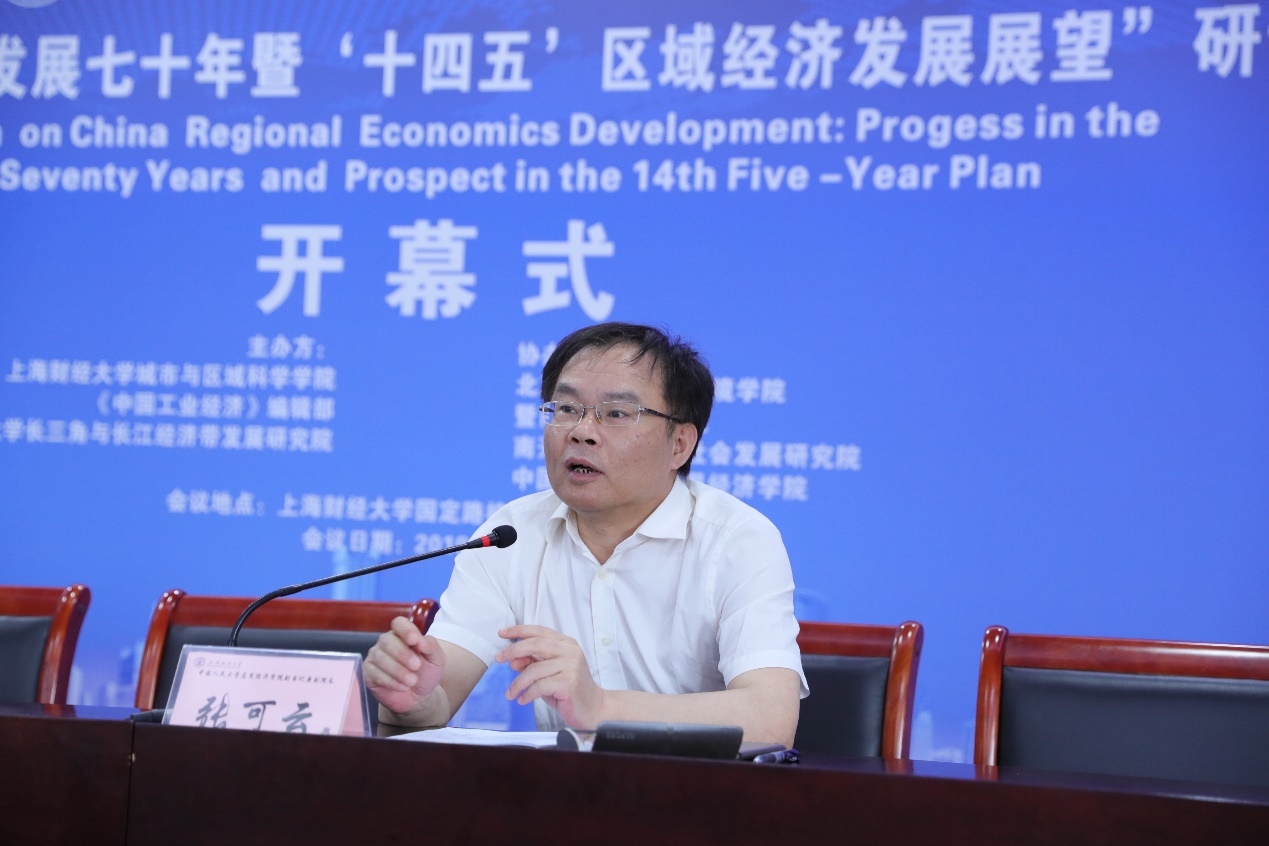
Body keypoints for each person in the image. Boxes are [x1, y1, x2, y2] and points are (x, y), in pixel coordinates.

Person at [365, 322, 805, 747]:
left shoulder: (737, 541)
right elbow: (440, 695)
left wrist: (600, 706)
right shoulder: (511, 534)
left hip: (699, 790)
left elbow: (770, 718)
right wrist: (413, 698)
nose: (581, 432)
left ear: (680, 444)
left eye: (616, 414)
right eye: (566, 409)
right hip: (563, 792)